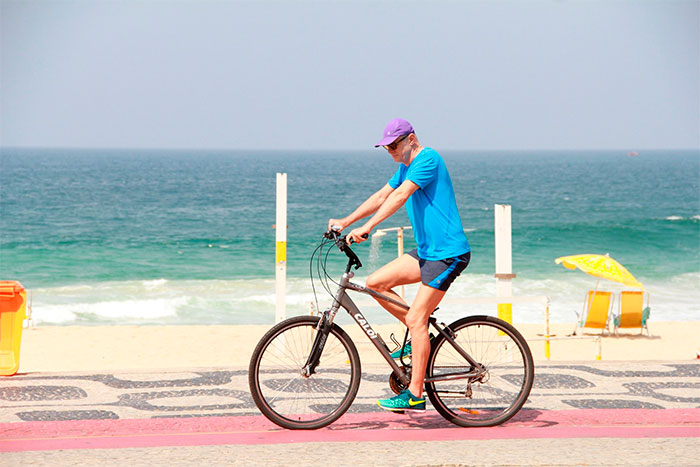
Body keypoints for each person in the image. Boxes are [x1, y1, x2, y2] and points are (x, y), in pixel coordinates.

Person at [328, 118, 470, 412]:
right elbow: (383, 195)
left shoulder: (428, 159)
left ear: (411, 139)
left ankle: (416, 394)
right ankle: (420, 337)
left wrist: (368, 228)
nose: (390, 150)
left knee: (416, 319)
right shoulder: (406, 165)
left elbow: (401, 195)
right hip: (426, 252)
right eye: (386, 147)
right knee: (375, 283)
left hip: (448, 253)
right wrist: (346, 221)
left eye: (394, 145)